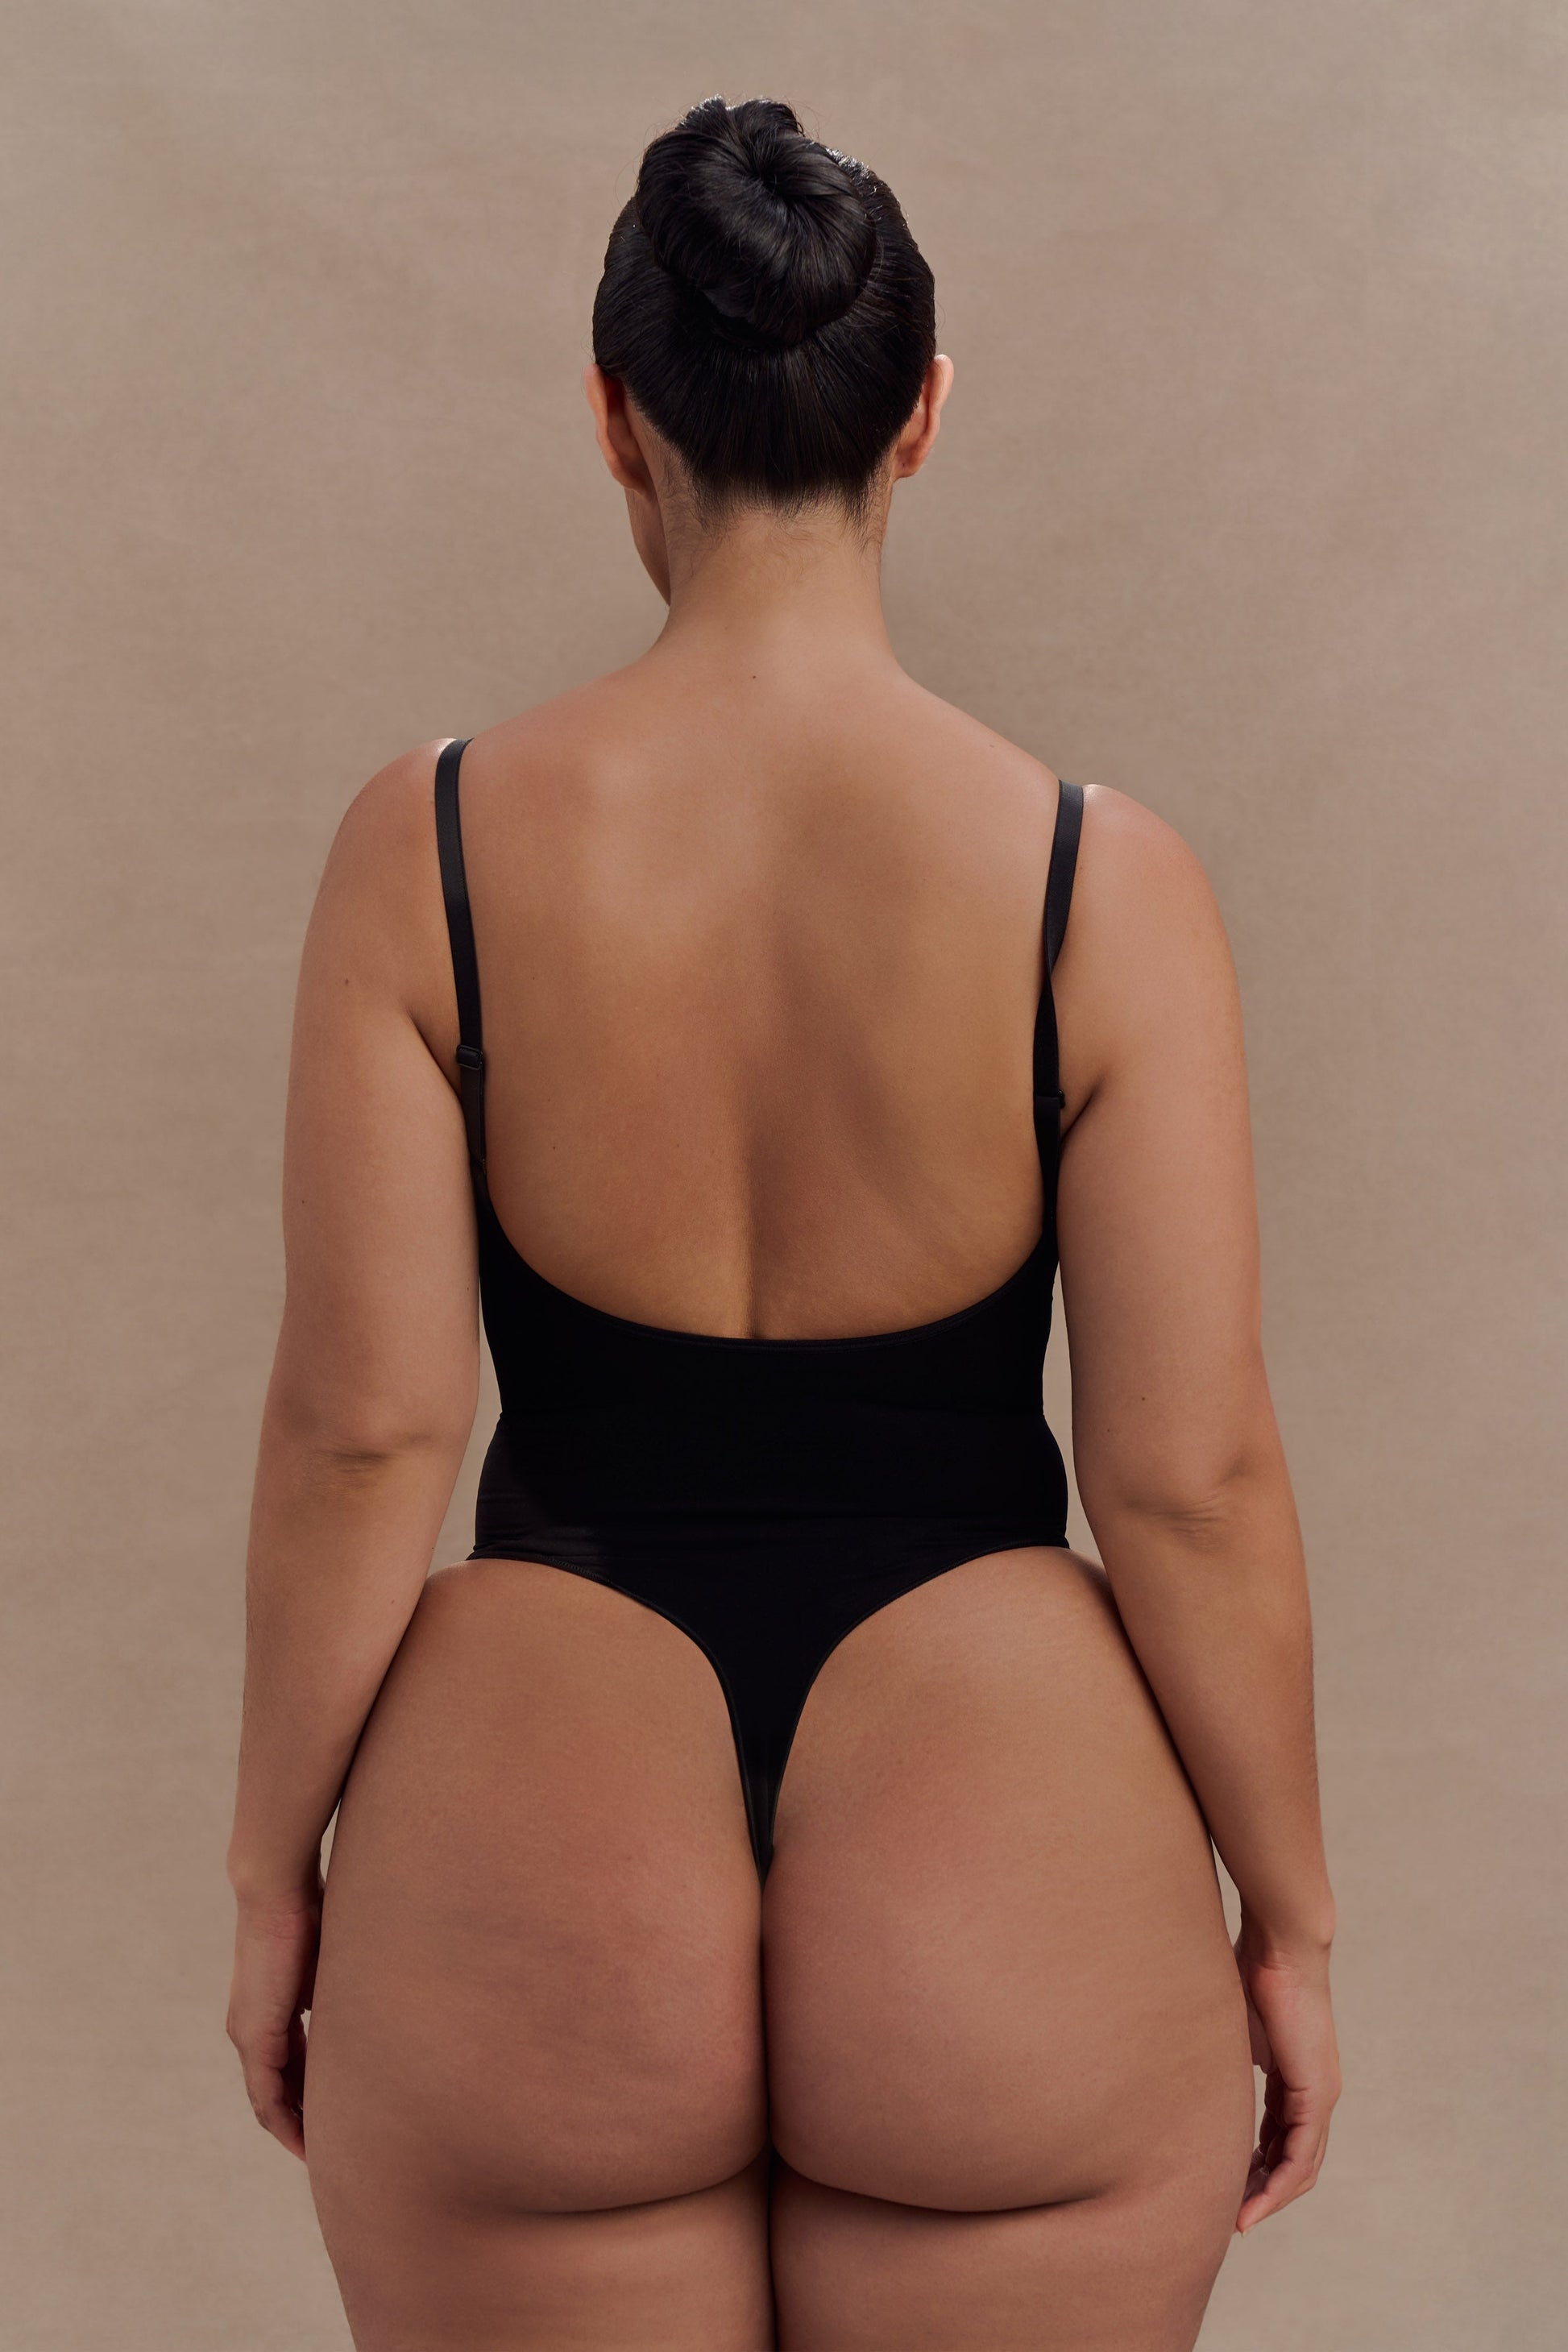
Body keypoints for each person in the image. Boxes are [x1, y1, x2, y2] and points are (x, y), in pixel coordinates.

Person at [226, 94, 1338, 2352]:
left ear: (611, 414)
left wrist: (274, 1875)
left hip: (545, 1804)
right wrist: (1291, 1919)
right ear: (920, 414)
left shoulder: (428, 847)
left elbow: (365, 1436)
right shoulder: (1096, 884)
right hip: (992, 1809)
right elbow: (1187, 1481)